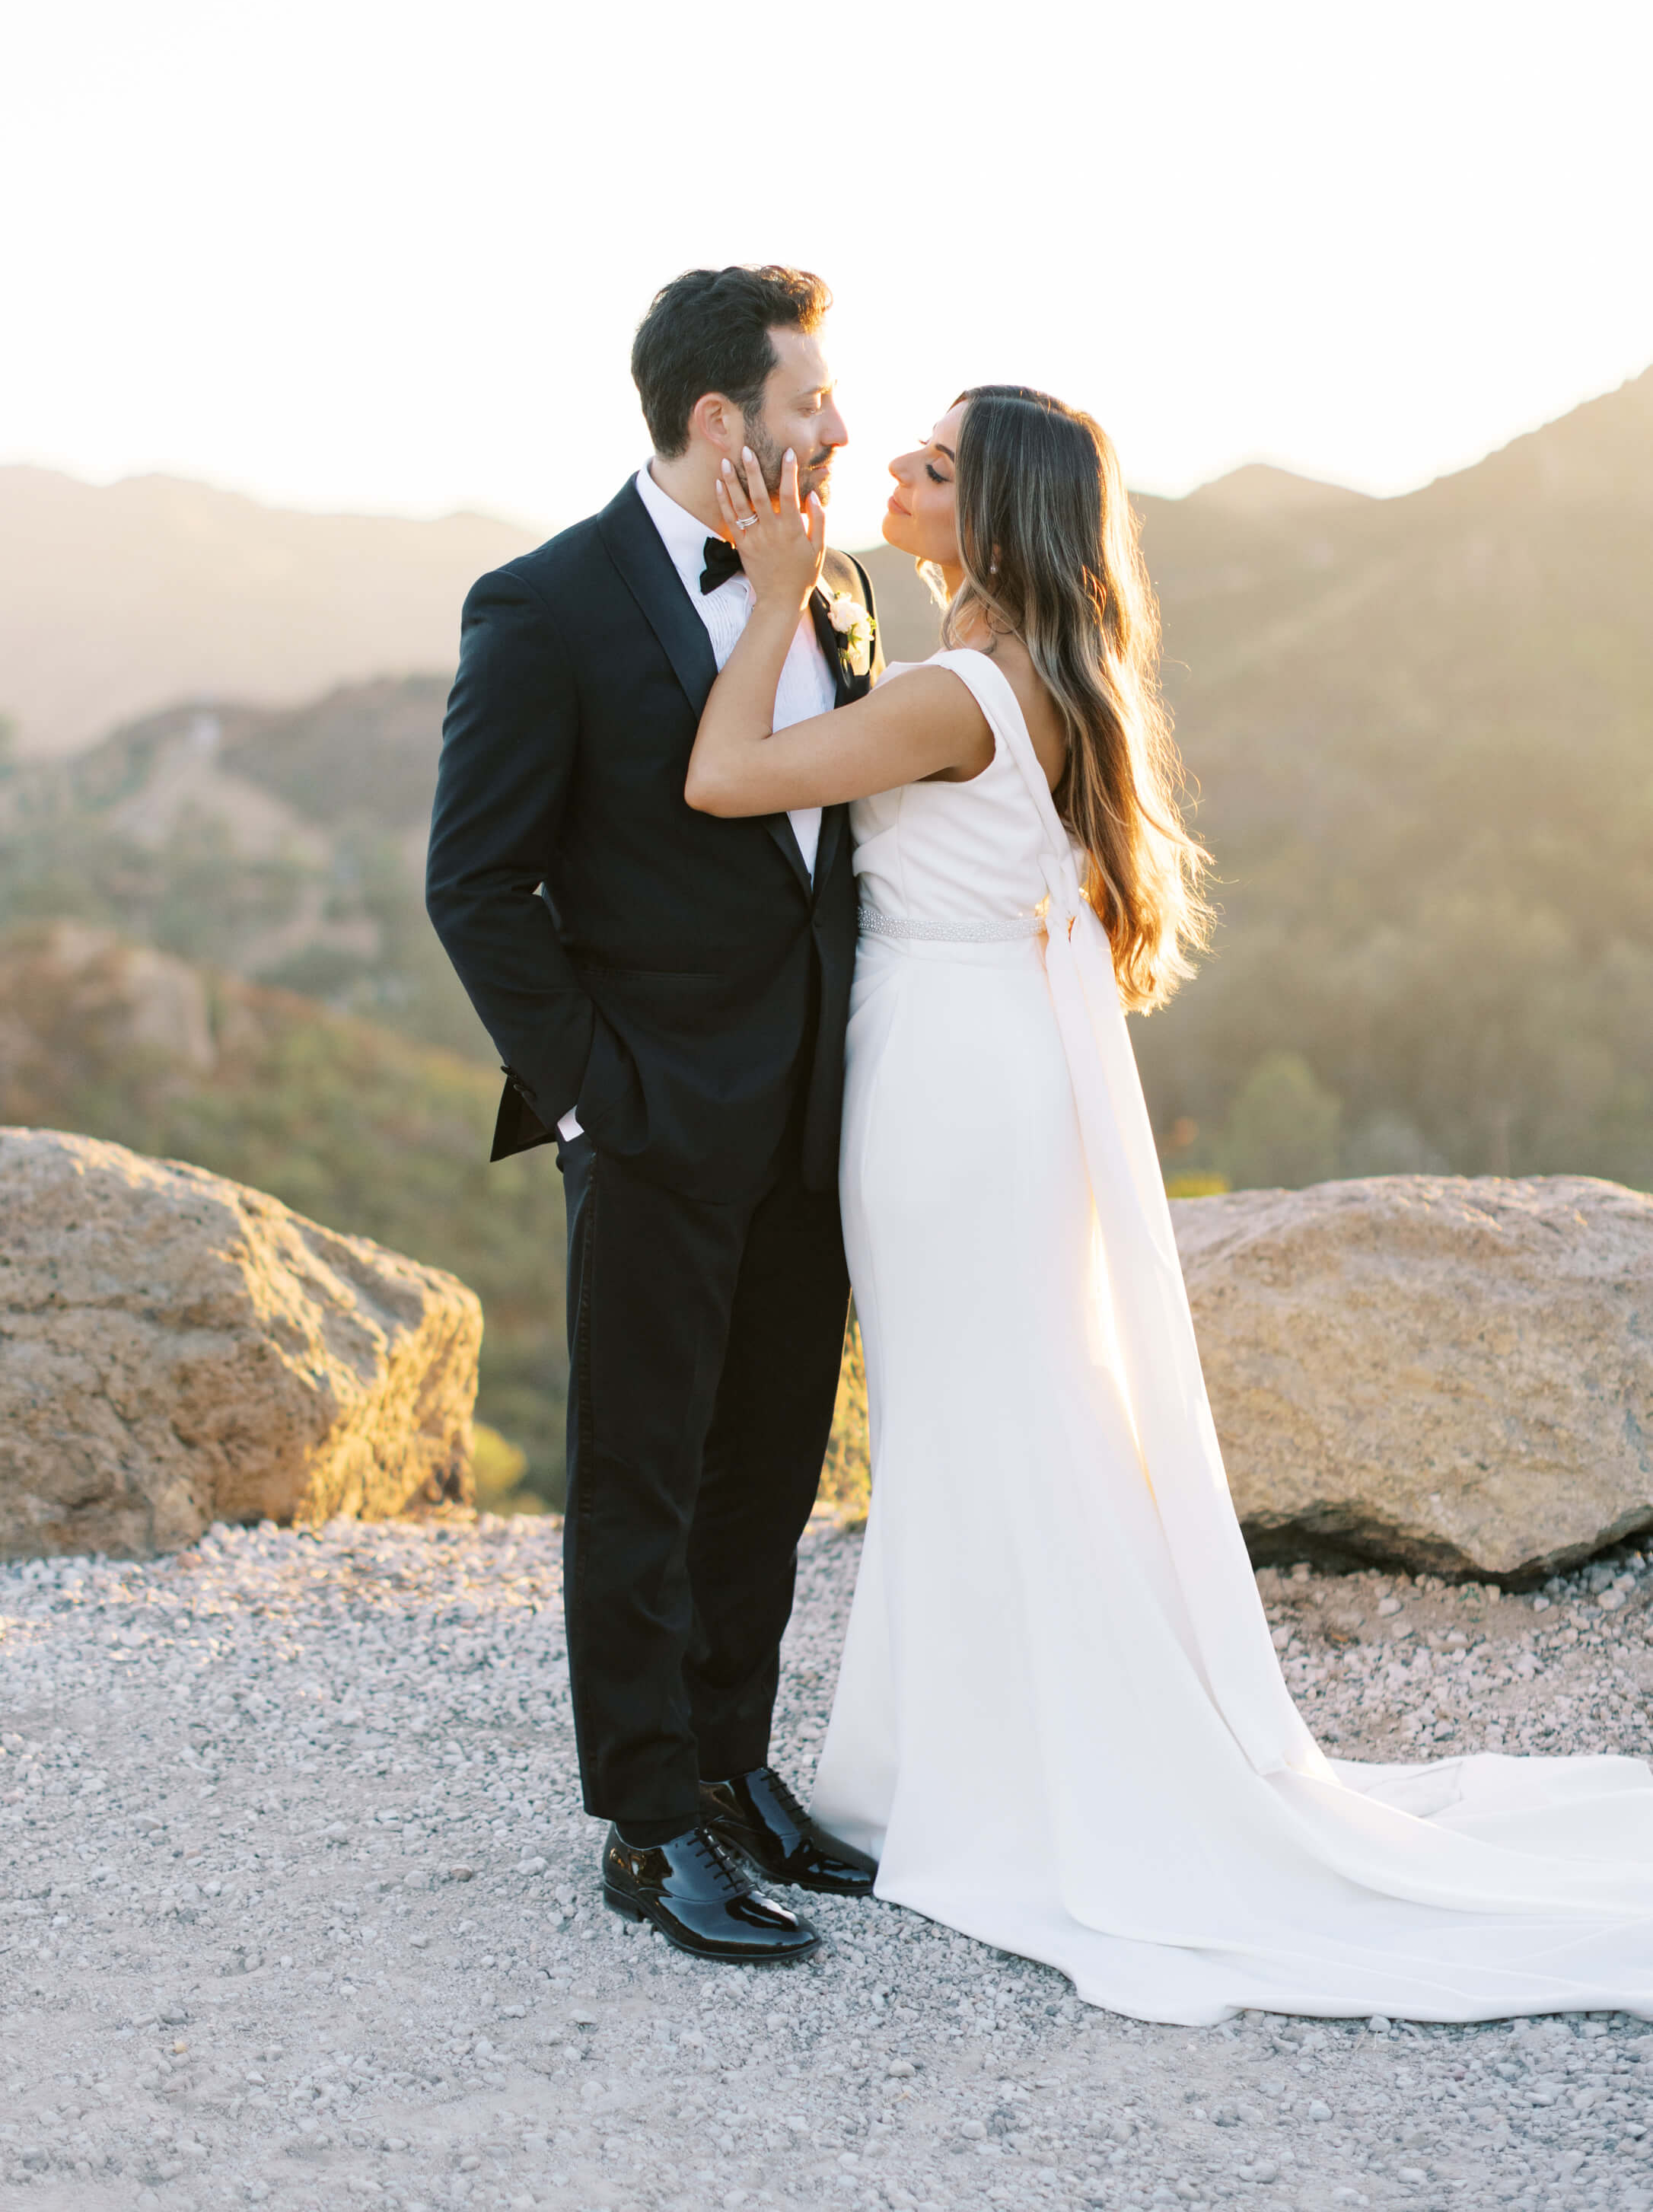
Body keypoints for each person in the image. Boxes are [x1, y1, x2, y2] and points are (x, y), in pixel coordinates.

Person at [684, 386, 1653, 2026]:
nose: (900, 480)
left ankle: (1013, 1771)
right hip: (994, 1073)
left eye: (932, 468)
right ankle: (991, 1746)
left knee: (972, 1419)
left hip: (942, 1085)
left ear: (994, 519)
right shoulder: (1054, 679)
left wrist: (776, 590)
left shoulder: (952, 694)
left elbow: (725, 777)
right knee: (997, 1409)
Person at [425, 266, 880, 1967]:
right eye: (809, 400)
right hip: (649, 1121)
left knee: (763, 1460)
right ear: (720, 420)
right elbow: (474, 884)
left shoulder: (829, 591)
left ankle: (735, 1762)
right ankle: (643, 1824)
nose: (836, 425)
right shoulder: (541, 605)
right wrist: (598, 1098)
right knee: (643, 1476)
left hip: (813, 1118)